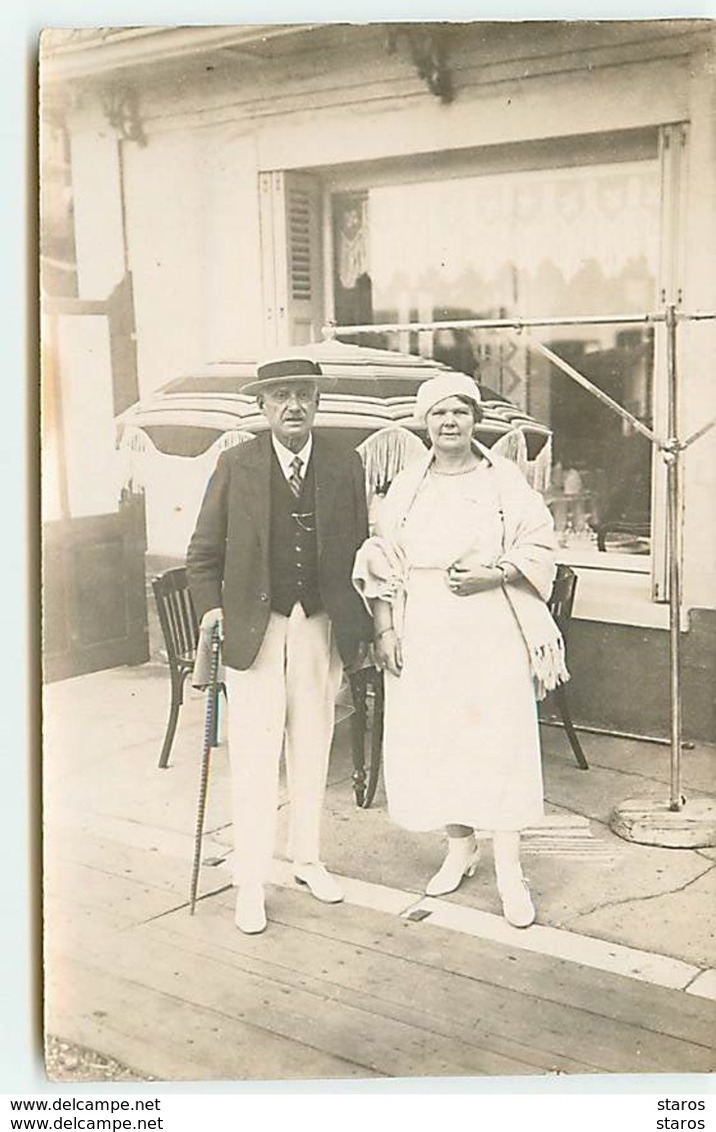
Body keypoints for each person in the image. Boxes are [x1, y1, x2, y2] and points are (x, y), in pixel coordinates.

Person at [353, 372, 567, 928]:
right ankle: (460, 847)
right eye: (440, 414)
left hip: (490, 625)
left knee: (498, 739)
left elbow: (540, 542)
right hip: (422, 625)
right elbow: (381, 558)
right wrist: (386, 630)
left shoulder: (504, 481)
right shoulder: (406, 486)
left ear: (475, 420)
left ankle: (510, 869)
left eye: (461, 413)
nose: (450, 423)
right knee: (436, 739)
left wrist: (493, 575)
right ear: (425, 423)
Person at [187, 356, 371, 935]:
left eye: (304, 394)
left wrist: (361, 622)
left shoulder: (346, 464)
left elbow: (361, 549)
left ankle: (307, 859)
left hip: (319, 624)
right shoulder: (235, 464)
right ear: (263, 406)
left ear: (317, 403)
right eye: (281, 395)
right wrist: (213, 612)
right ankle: (251, 879)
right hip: (254, 629)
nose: (294, 405)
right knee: (254, 754)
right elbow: (202, 553)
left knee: (313, 746)